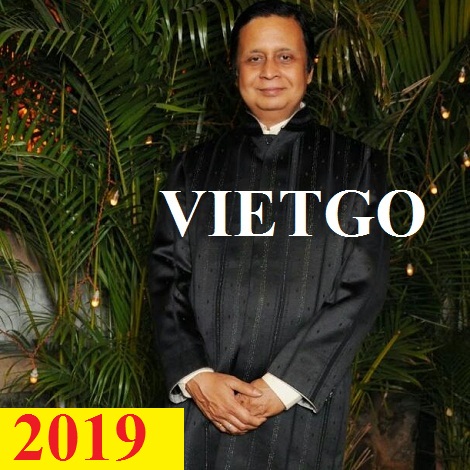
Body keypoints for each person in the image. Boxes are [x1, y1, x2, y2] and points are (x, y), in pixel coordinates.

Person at [149, 1, 389, 468]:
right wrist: (196, 375)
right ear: (236, 70)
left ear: (310, 70)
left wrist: (284, 385)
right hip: (202, 409)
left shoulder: (358, 165)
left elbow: (364, 285)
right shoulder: (191, 168)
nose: (269, 71)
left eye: (285, 56)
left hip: (302, 408)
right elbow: (166, 279)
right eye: (254, 57)